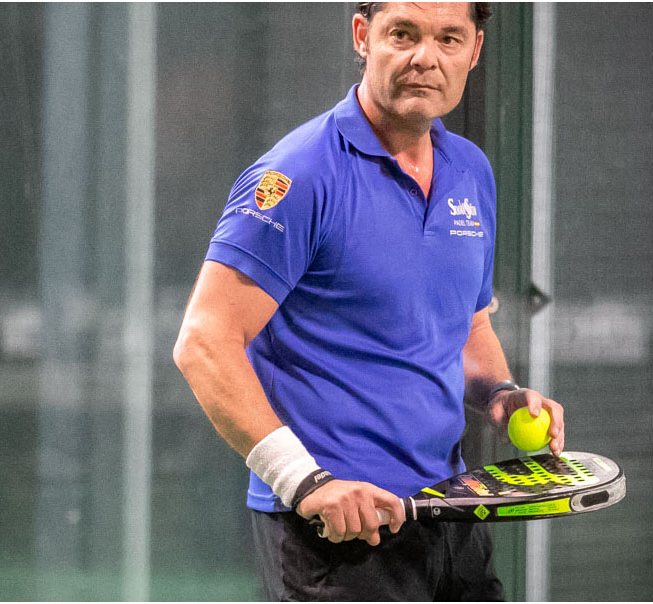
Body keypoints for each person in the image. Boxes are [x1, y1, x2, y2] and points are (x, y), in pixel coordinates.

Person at [174, 2, 565, 600]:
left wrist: (501, 394)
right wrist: (305, 483)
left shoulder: (470, 170)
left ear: (474, 50)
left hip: (451, 513)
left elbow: (464, 326)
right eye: (403, 34)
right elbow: (204, 342)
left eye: (449, 39)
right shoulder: (298, 175)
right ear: (363, 36)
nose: (425, 58)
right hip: (335, 532)